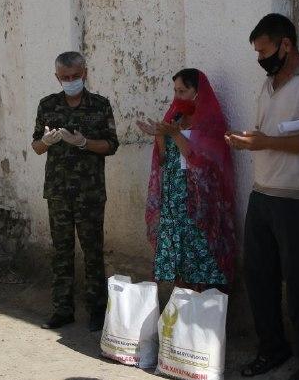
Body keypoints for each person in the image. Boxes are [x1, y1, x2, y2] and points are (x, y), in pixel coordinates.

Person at [226, 13, 299, 380]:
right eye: (257, 52)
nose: (260, 59)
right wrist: (248, 139)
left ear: (286, 44)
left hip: (295, 196)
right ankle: (272, 348)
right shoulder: (268, 84)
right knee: (259, 277)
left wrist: (266, 142)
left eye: (264, 50)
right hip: (262, 192)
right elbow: (266, 133)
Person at [32, 51, 119, 332]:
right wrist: (46, 141)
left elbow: (111, 145)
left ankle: (97, 311)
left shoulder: (100, 105)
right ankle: (62, 309)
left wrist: (83, 142)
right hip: (58, 191)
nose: (70, 81)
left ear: (85, 73)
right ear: (57, 77)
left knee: (93, 251)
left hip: (90, 192)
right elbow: (36, 146)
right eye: (64, 77)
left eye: (75, 76)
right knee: (61, 252)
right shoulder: (47, 105)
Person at [138, 69, 236, 292]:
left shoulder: (210, 121)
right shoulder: (174, 117)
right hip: (175, 200)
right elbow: (163, 160)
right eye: (175, 91)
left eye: (183, 91)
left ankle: (204, 313)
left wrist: (175, 135)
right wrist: (160, 136)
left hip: (198, 201)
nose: (178, 96)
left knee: (202, 257)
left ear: (197, 91)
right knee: (178, 259)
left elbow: (201, 161)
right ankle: (182, 308)